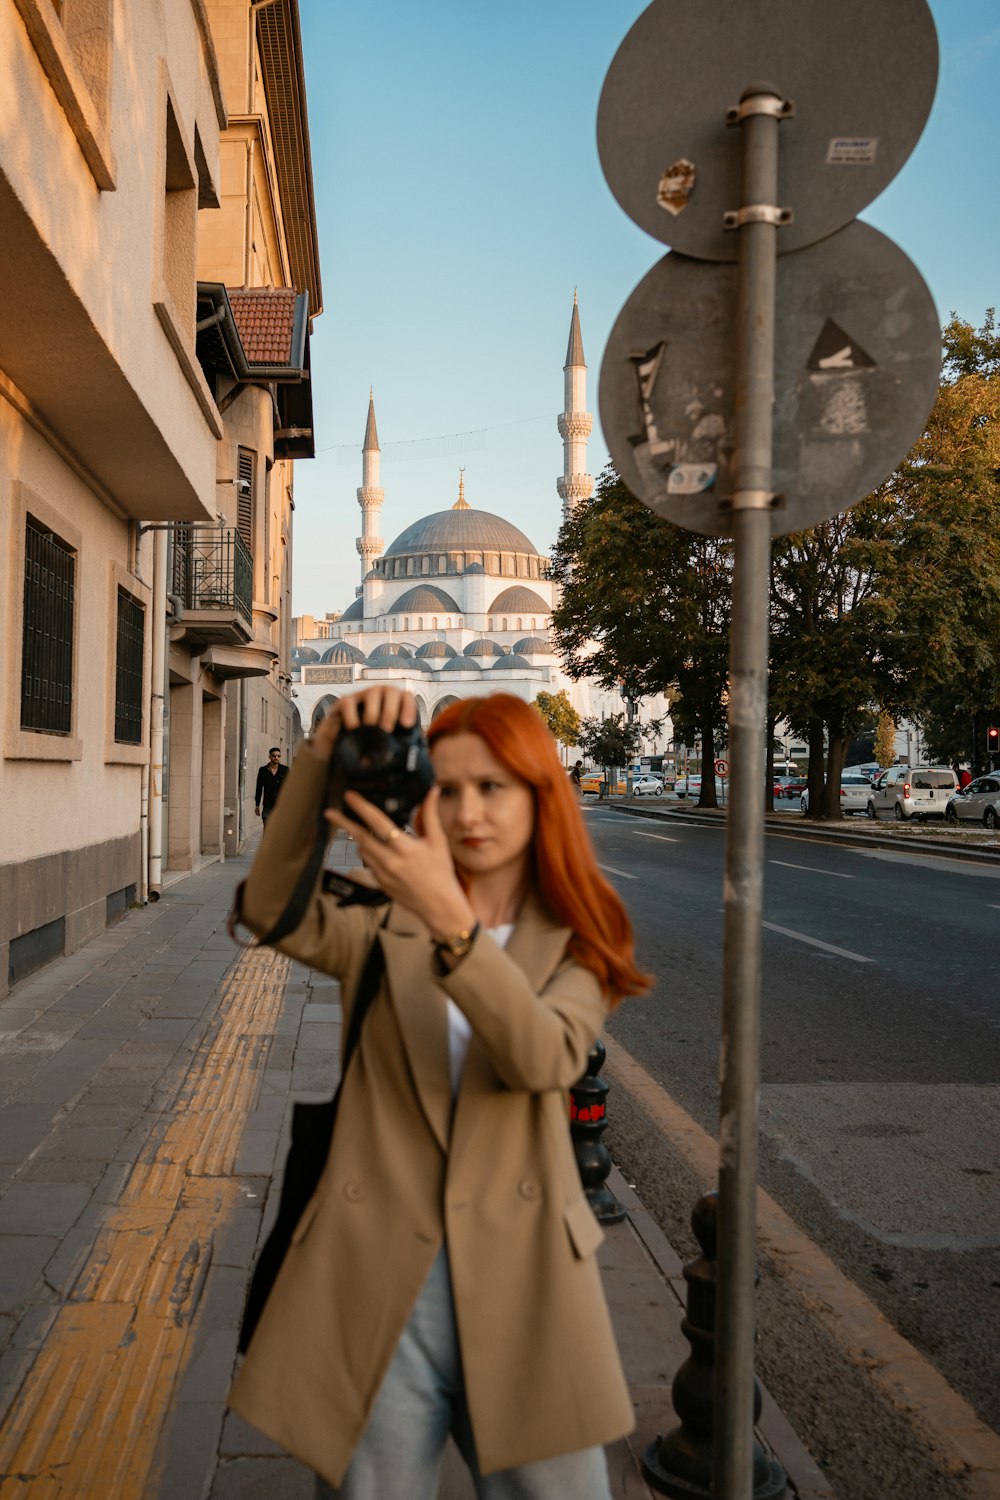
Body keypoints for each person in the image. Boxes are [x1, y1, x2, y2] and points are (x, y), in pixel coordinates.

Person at [229, 686, 651, 1499]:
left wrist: (454, 924)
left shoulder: (580, 933)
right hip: (382, 1269)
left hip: (526, 1278)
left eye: (493, 787)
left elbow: (542, 1058)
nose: (468, 813)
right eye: (447, 789)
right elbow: (269, 910)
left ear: (539, 794)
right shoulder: (385, 922)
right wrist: (322, 755)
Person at [254, 746, 289, 824]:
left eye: (278, 756)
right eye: (274, 756)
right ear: (269, 757)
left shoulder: (285, 769)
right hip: (268, 805)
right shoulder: (262, 770)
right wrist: (257, 805)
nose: (276, 757)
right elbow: (259, 788)